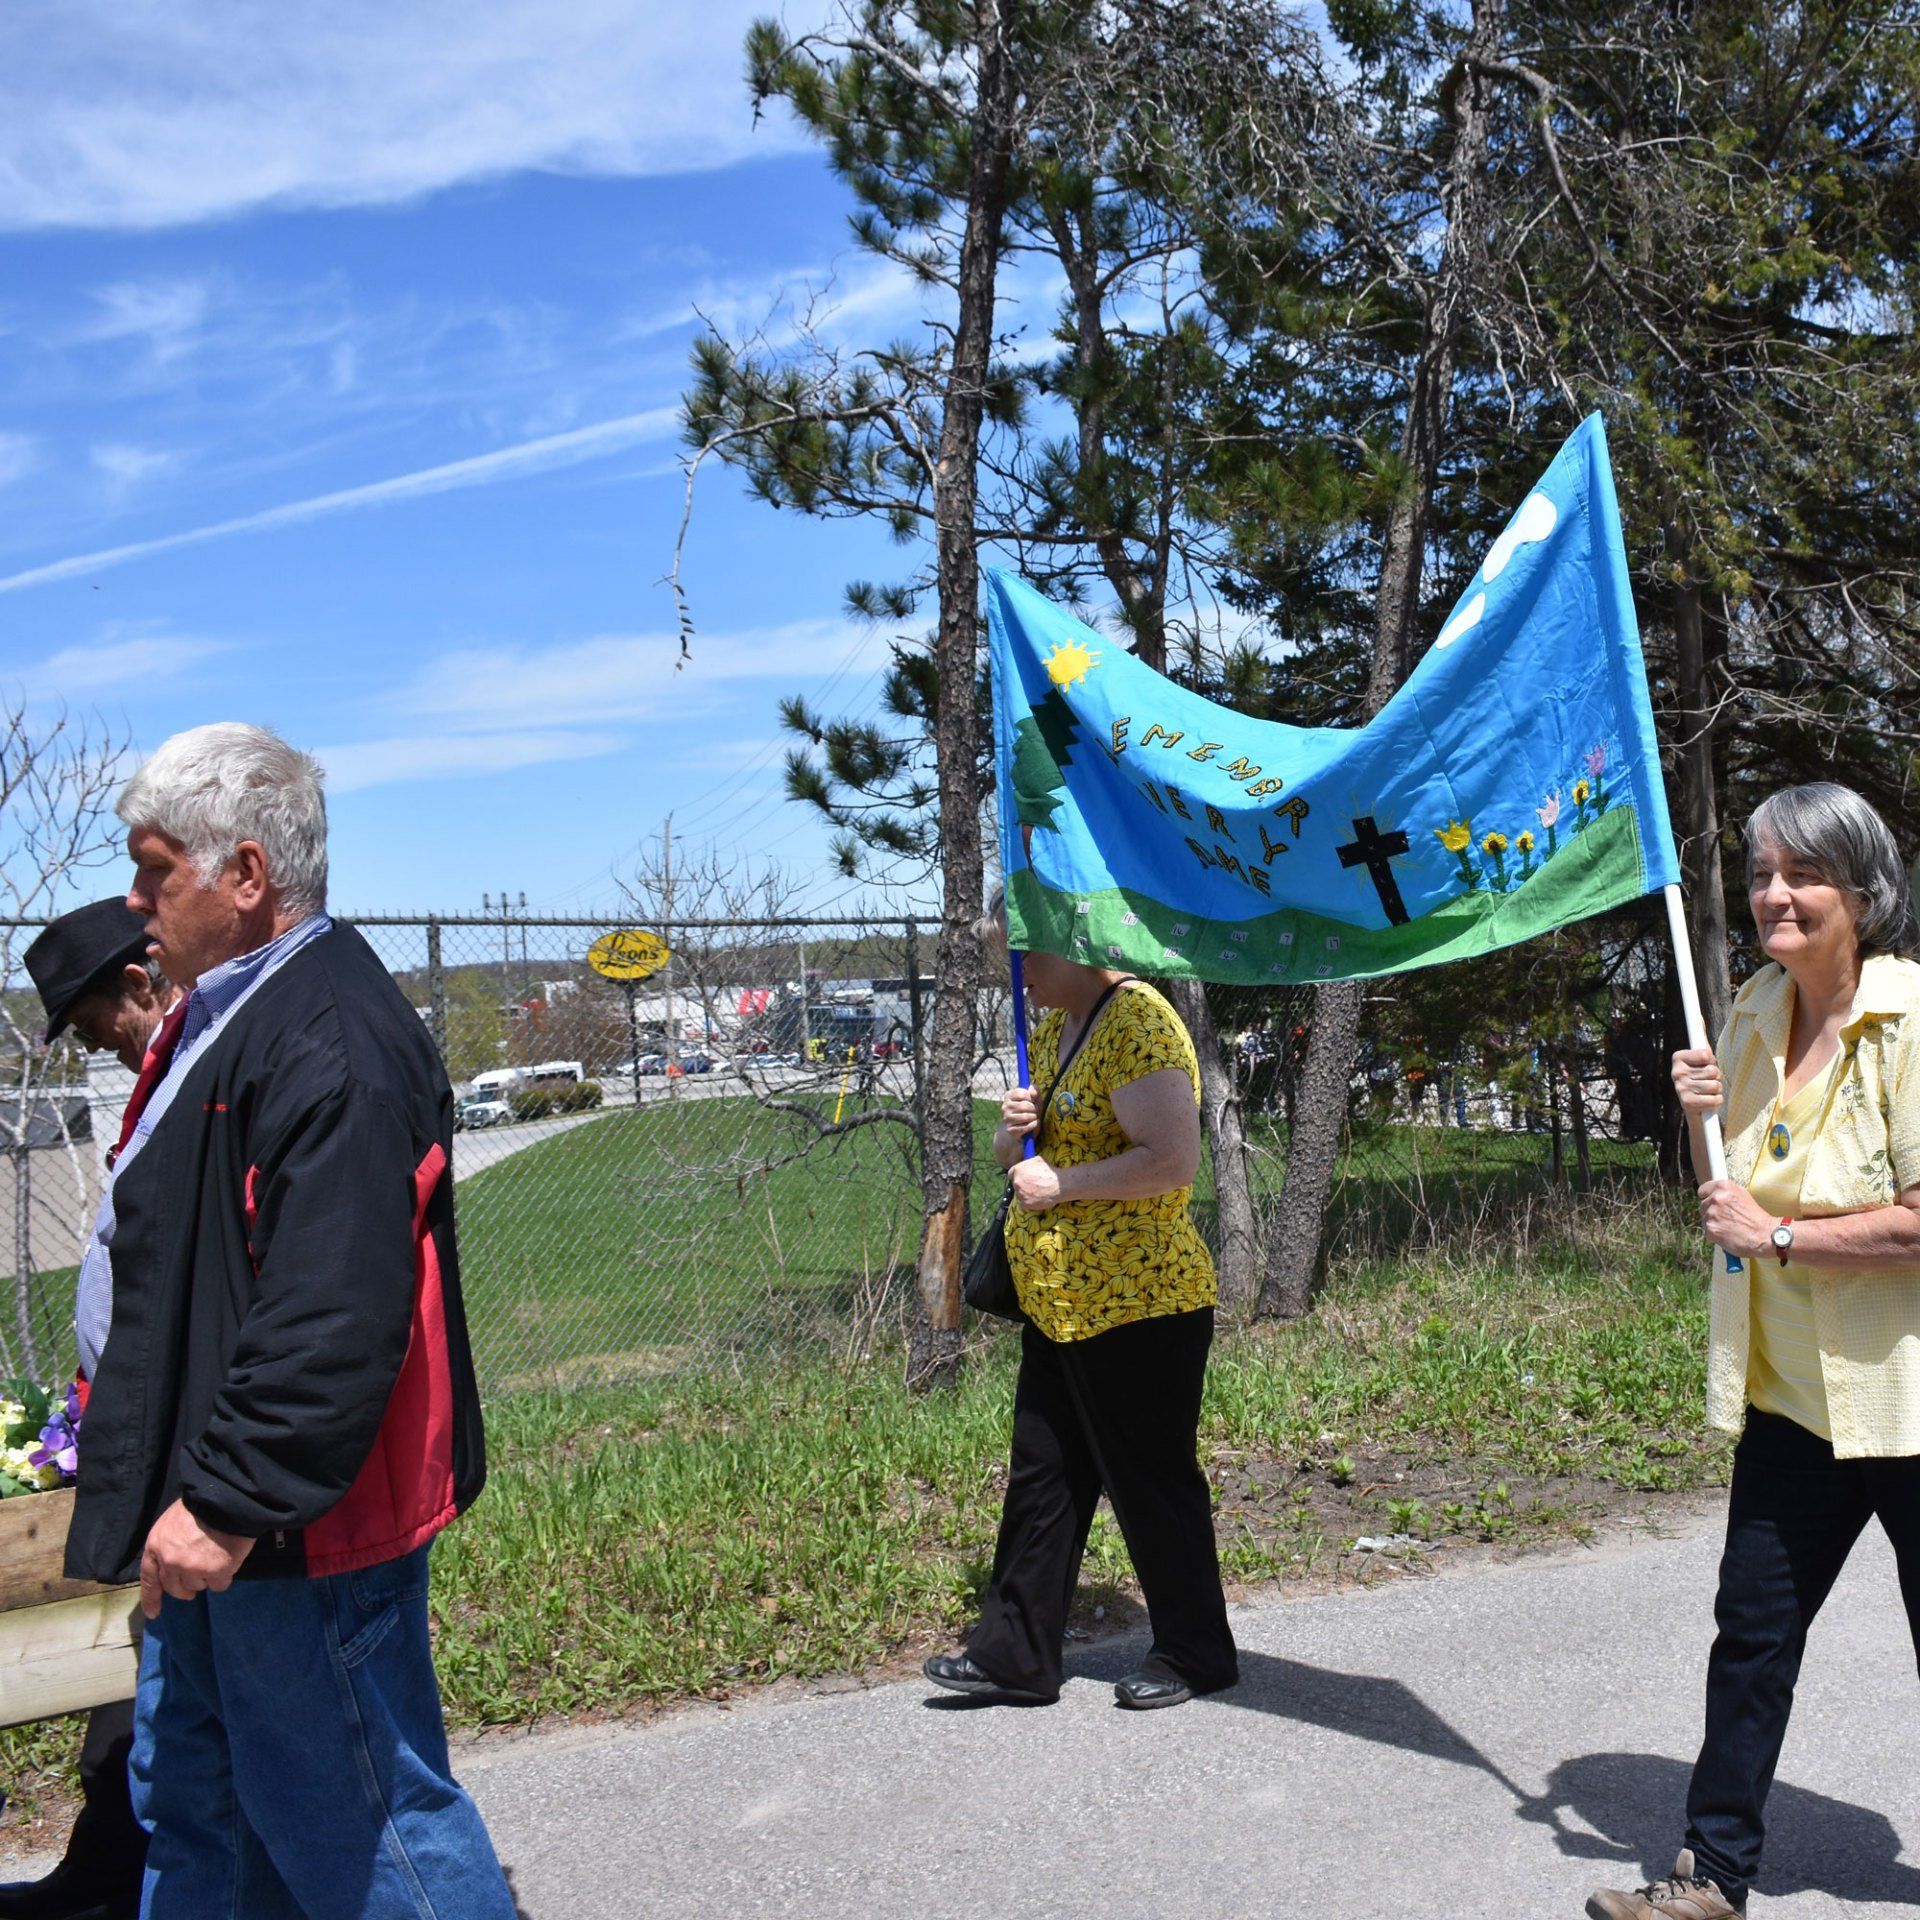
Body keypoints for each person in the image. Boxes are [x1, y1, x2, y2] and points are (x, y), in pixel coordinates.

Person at [62, 723, 516, 1920]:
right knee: (205, 1807)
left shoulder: (334, 1041)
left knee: (364, 1826)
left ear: (248, 876)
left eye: (157, 868)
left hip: (290, 1527)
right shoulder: (233, 1007)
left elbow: (333, 1306)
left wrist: (226, 1499)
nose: (135, 895)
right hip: (211, 1510)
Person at [1587, 783, 1920, 1919]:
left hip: (1909, 1403)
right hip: (1791, 1401)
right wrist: (1697, 1118)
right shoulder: (1749, 1007)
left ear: (1862, 894)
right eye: (1763, 873)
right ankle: (1709, 1878)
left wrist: (1782, 1236)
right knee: (1752, 1641)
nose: (1775, 894)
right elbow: (1726, 1194)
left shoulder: (1912, 1020)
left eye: (1802, 875)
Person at [922, 894, 1238, 1709]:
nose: (1017, 983)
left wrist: (1065, 1184)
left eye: (1021, 962)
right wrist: (1010, 1136)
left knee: (1151, 1481)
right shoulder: (1064, 1027)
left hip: (1141, 1306)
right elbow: (1022, 1156)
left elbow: (1171, 1162)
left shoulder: (1139, 1023)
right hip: (1061, 1304)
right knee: (1045, 1476)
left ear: (1062, 940)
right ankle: (1016, 1655)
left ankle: (1196, 1653)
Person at [1, 901, 178, 1920]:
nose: (96, 1041)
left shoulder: (197, 1065)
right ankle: (115, 1869)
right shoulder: (153, 1080)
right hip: (123, 1432)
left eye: (94, 1015)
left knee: (162, 1692)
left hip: (168, 1442)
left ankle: (119, 1873)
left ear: (139, 982)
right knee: (145, 1681)